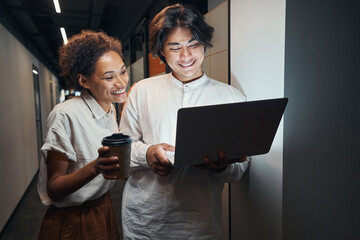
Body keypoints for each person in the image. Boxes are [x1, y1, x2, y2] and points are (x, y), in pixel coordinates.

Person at [119, 4, 250, 240]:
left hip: (200, 225)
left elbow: (240, 168)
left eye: (193, 44)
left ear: (204, 44)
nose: (186, 56)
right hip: (145, 222)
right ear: (161, 51)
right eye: (175, 47)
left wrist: (221, 167)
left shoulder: (231, 97)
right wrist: (147, 154)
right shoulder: (141, 91)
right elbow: (124, 149)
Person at [37, 30, 129, 240]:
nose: (121, 82)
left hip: (103, 205)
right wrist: (96, 167)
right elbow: (54, 188)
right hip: (73, 217)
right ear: (84, 81)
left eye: (122, 72)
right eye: (109, 77)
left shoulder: (109, 107)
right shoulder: (66, 114)